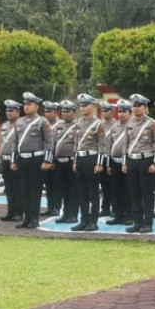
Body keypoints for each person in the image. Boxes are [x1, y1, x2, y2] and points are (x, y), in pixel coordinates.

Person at [12, 92, 55, 229]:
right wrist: (14, 160)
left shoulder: (42, 121)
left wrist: (47, 161)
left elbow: (49, 142)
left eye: (30, 104)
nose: (26, 107)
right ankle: (26, 218)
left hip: (36, 159)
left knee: (35, 191)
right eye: (25, 104)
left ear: (36, 106)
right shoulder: (19, 121)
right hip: (22, 159)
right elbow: (15, 142)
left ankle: (34, 219)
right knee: (24, 190)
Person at [123, 94, 155, 234]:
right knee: (134, 193)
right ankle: (137, 222)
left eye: (139, 106)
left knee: (147, 194)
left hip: (146, 160)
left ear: (145, 107)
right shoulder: (129, 123)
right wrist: (125, 162)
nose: (136, 108)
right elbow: (125, 144)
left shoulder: (152, 123)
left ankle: (148, 223)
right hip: (132, 161)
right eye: (134, 105)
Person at [72, 94, 104, 231]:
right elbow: (75, 143)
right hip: (80, 159)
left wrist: (99, 163)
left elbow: (102, 145)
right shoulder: (77, 123)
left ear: (92, 106)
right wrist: (75, 161)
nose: (83, 108)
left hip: (92, 159)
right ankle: (83, 220)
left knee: (93, 193)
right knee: (81, 192)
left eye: (85, 105)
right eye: (81, 105)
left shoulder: (98, 124)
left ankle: (93, 221)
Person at [104, 100, 132, 226]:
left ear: (130, 113)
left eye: (124, 111)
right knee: (116, 190)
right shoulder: (114, 127)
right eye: (119, 111)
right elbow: (109, 146)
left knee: (129, 190)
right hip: (115, 162)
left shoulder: (133, 125)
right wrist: (109, 164)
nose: (121, 114)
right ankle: (118, 215)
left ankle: (129, 215)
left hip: (129, 162)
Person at [52, 100, 80, 224]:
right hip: (59, 162)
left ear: (74, 112)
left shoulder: (78, 125)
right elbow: (53, 143)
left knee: (74, 190)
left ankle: (73, 214)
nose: (64, 113)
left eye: (67, 111)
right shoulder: (59, 126)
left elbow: (79, 145)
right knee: (63, 189)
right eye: (62, 111)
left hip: (71, 161)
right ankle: (66, 213)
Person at [0, 99, 23, 222]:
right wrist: (0, 159)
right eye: (7, 110)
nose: (8, 113)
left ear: (18, 111)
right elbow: (2, 144)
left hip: (17, 160)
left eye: (11, 110)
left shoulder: (22, 124)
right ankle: (10, 211)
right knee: (9, 188)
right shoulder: (4, 125)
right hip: (5, 159)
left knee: (17, 187)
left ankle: (19, 212)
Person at [43, 101, 64, 217]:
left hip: (56, 159)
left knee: (57, 185)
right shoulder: (42, 124)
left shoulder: (60, 124)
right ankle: (50, 206)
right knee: (48, 185)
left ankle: (56, 207)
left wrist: (52, 161)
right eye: (45, 111)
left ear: (55, 111)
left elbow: (58, 143)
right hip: (44, 159)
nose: (46, 113)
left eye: (49, 111)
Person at [97, 102, 116, 218]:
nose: (104, 113)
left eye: (107, 110)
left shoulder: (117, 125)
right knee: (104, 185)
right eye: (103, 111)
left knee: (113, 185)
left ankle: (115, 207)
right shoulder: (99, 125)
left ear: (112, 112)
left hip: (112, 157)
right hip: (101, 157)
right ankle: (105, 207)